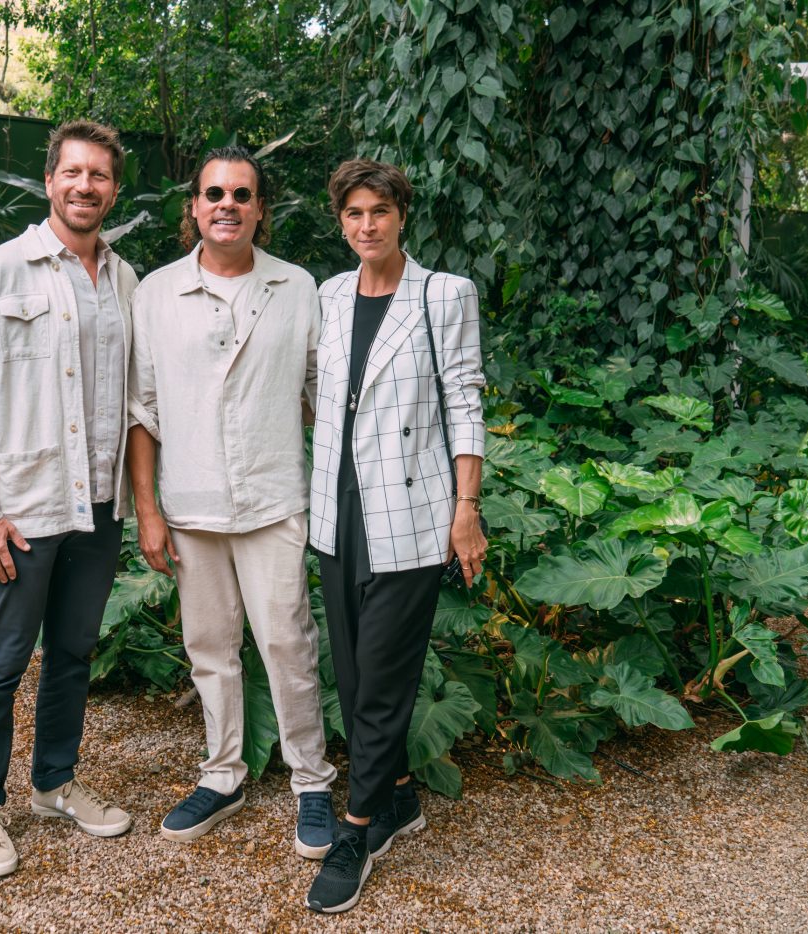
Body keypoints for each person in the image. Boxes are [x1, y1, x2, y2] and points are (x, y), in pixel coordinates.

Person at [0, 120, 138, 879]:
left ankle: (54, 784)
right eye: (73, 173)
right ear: (50, 180)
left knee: (75, 654)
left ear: (114, 188)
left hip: (99, 508)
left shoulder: (125, 281)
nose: (86, 187)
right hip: (23, 509)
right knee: (1, 658)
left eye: (101, 176)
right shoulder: (0, 274)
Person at [126, 146, 338, 858]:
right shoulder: (154, 294)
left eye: (241, 195)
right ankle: (222, 776)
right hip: (191, 508)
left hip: (274, 499)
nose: (226, 204)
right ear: (193, 207)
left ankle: (311, 781)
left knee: (287, 644)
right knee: (209, 648)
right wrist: (148, 510)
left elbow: (322, 395)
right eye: (213, 192)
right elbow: (142, 409)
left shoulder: (298, 288)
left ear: (260, 211)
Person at [303, 159, 487, 913]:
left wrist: (466, 508)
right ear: (340, 221)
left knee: (380, 677)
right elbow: (323, 399)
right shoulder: (330, 295)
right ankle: (401, 798)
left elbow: (465, 401)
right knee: (351, 673)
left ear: (401, 214)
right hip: (336, 511)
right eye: (353, 213)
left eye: (379, 210)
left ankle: (354, 832)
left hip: (412, 516)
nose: (367, 225)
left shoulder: (444, 295)